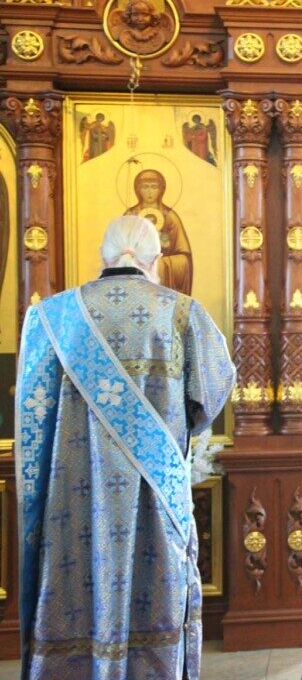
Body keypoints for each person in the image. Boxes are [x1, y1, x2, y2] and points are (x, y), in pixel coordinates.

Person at [15, 216, 235, 678]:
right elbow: (212, 394)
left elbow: (33, 409)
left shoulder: (52, 317)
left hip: (71, 494)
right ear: (157, 258)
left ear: (102, 255)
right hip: (153, 494)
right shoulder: (181, 313)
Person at [124, 168, 194, 295]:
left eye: (154, 187)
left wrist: (160, 264)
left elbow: (184, 258)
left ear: (161, 190)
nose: (149, 192)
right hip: (136, 279)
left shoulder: (170, 217)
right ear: (137, 190)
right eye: (145, 187)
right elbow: (119, 251)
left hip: (162, 283)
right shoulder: (130, 216)